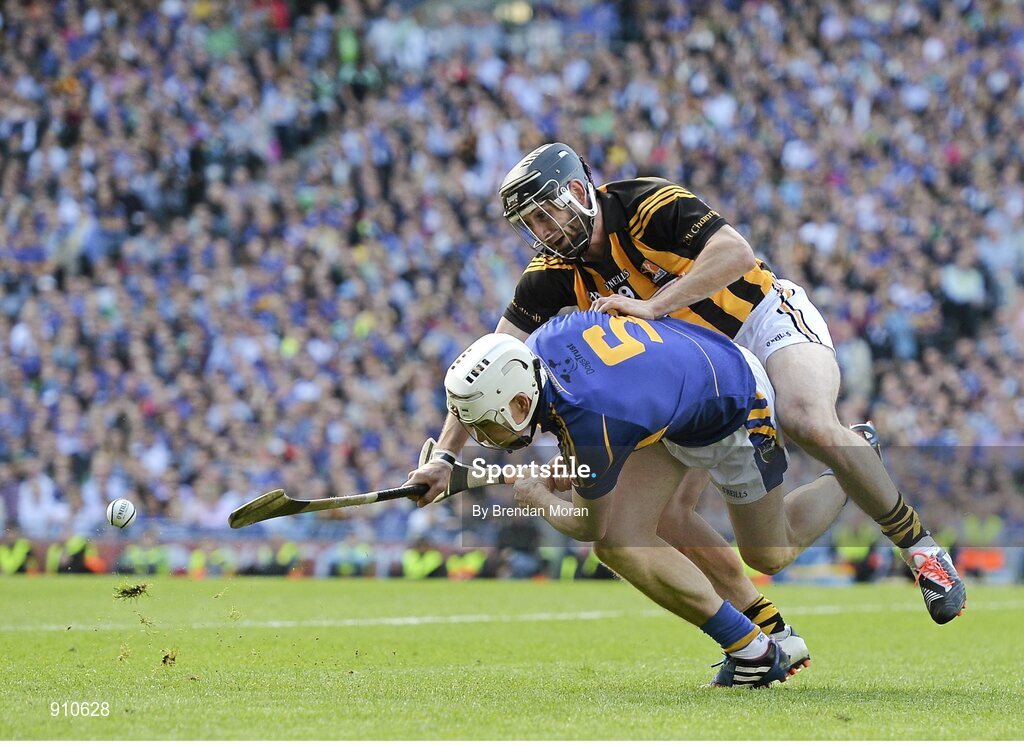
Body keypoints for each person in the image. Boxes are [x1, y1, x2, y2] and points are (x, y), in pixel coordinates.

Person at [410, 142, 966, 628]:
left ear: (579, 189)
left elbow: (736, 254)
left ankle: (921, 551)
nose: (548, 232)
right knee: (719, 538)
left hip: (758, 319)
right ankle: (762, 626)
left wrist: (653, 307)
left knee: (807, 418)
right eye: (534, 225)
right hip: (694, 379)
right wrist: (443, 454)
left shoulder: (644, 203)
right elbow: (490, 360)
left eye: (549, 213)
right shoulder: (549, 275)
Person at [443, 310, 847, 687]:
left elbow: (587, 525)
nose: (485, 439)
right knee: (638, 531)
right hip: (690, 381)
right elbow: (608, 388)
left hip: (736, 404)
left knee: (770, 551)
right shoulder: (542, 343)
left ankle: (852, 459)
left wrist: (536, 497)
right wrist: (577, 463)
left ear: (519, 403)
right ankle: (756, 645)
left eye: (485, 425)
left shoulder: (591, 420)